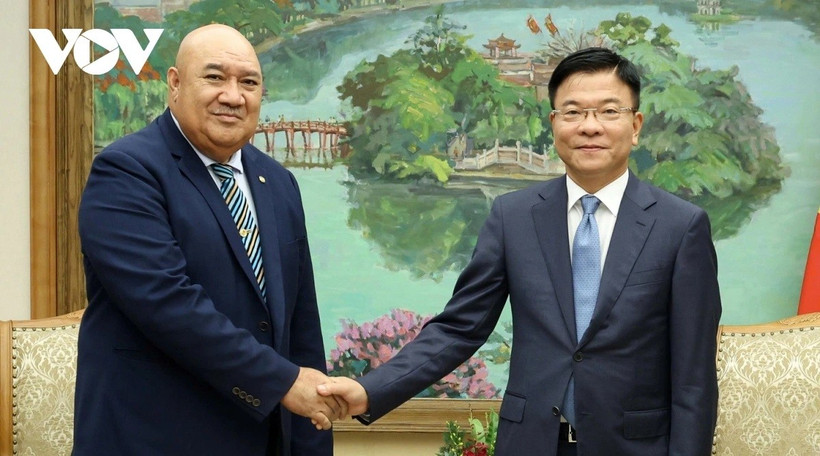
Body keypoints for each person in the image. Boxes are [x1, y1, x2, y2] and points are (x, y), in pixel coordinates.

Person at [319, 47, 722, 455]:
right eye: (573, 112)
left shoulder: (680, 226)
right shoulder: (513, 217)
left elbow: (694, 378)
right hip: (530, 443)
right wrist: (369, 390)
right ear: (554, 124)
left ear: (635, 125)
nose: (590, 127)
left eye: (608, 112)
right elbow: (461, 327)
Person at [73, 24, 341, 455]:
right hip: (153, 440)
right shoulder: (125, 172)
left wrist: (312, 440)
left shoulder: (279, 182)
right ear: (175, 84)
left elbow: (301, 327)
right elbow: (168, 304)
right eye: (215, 77)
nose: (233, 96)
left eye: (248, 83)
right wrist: (283, 382)